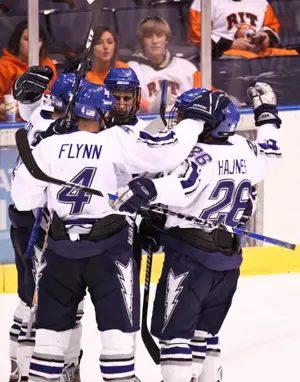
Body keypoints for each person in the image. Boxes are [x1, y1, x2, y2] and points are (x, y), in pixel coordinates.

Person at [10, 78, 227, 381]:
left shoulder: (49, 144)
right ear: (101, 113)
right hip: (109, 255)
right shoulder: (117, 139)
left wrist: (46, 146)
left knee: (48, 346)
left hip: (59, 253)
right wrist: (193, 119)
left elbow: (22, 199)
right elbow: (168, 153)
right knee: (117, 348)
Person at [110, 82, 282, 382]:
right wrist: (266, 113)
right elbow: (272, 151)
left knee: (176, 338)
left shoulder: (198, 155)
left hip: (191, 262)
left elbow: (182, 187)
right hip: (228, 263)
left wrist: (150, 189)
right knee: (205, 333)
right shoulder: (247, 149)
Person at [9, 68, 85, 382]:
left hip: (60, 219)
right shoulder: (42, 117)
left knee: (72, 302)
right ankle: (23, 371)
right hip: (33, 219)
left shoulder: (75, 124)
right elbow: (23, 97)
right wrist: (29, 83)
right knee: (34, 301)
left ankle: (69, 367)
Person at [128, 16, 205, 113]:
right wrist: (151, 108)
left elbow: (205, 95)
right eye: (149, 36)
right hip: (146, 123)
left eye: (159, 35)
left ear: (166, 39)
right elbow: (126, 100)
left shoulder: (187, 68)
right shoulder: (131, 69)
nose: (155, 41)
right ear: (142, 40)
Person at [188, 0, 298, 59]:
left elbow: (272, 27)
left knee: (293, 57)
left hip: (260, 57)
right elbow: (197, 35)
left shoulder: (261, 3)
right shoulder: (204, 2)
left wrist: (266, 36)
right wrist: (230, 44)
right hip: (223, 60)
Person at [0, 20, 57, 120]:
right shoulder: (4, 66)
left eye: (38, 40)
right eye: (27, 39)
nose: (33, 44)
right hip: (13, 125)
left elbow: (56, 99)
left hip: (44, 121)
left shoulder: (48, 64)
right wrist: (13, 108)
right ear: (17, 41)